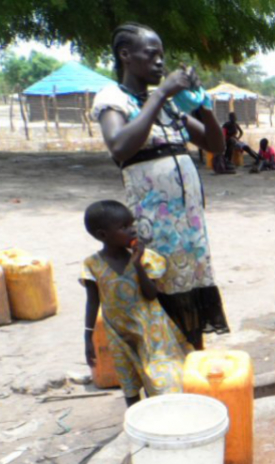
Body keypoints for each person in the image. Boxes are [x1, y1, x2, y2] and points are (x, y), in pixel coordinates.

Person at [92, 22, 229, 350]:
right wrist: (160, 93)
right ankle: (165, 364)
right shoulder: (113, 98)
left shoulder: (169, 107)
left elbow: (216, 145)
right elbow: (119, 146)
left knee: (190, 287)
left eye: (161, 56)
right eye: (151, 54)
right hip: (154, 222)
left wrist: (203, 104)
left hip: (189, 224)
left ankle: (192, 359)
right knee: (162, 286)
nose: (159, 62)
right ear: (125, 55)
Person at [81, 201, 193, 406]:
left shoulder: (146, 258)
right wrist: (88, 337)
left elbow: (151, 294)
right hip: (119, 333)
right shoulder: (92, 265)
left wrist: (138, 265)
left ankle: (161, 414)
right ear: (103, 235)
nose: (133, 230)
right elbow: (92, 301)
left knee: (159, 379)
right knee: (129, 382)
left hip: (151, 329)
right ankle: (136, 418)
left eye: (132, 224)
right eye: (124, 227)